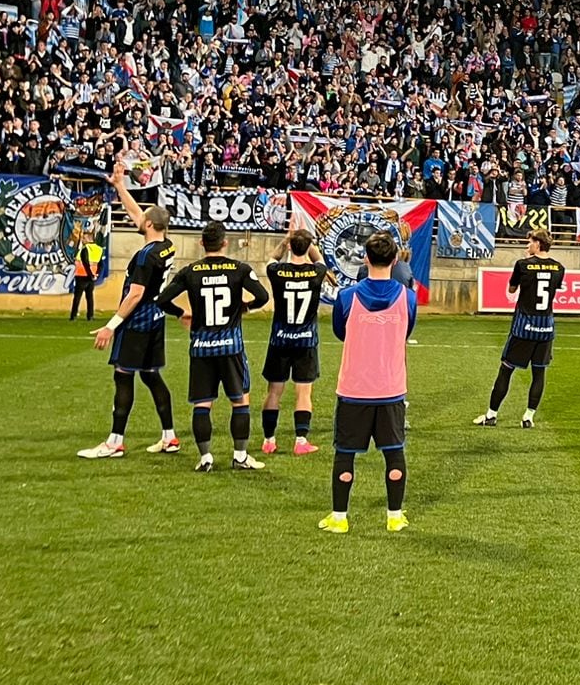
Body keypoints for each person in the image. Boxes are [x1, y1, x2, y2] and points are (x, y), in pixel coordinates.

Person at [80, 152, 180, 460]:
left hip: (137, 321)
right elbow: (140, 215)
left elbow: (134, 294)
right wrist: (120, 185)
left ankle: (114, 442)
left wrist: (111, 326)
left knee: (123, 375)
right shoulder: (166, 246)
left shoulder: (144, 256)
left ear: (149, 224)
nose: (137, 220)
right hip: (157, 319)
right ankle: (169, 436)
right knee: (151, 375)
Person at [320, 231, 416, 534]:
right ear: (395, 259)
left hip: (354, 390)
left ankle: (339, 517)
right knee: (394, 451)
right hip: (390, 390)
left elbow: (340, 331)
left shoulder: (346, 297)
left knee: (345, 453)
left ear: (365, 258)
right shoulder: (408, 297)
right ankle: (394, 516)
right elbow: (406, 330)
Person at [156, 220, 270, 473]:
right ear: (225, 242)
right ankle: (240, 456)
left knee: (202, 404)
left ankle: (205, 457)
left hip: (201, 348)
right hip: (231, 348)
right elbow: (263, 296)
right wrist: (245, 307)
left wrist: (180, 313)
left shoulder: (190, 271)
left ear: (201, 243)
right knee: (240, 402)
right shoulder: (239, 269)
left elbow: (162, 299)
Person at [476, 232, 565, 427]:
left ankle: (491, 415)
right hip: (545, 327)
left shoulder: (523, 265)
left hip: (524, 327)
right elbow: (554, 289)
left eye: (530, 241)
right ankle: (528, 417)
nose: (527, 245)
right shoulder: (559, 268)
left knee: (506, 370)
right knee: (539, 373)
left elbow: (511, 290)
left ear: (538, 244)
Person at [260, 227, 327, 456]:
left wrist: (285, 240)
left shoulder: (277, 271)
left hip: (279, 340)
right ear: (308, 247)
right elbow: (319, 259)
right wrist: (309, 246)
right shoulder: (316, 272)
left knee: (274, 391)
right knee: (303, 392)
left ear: (290, 245)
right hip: (306, 341)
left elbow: (272, 258)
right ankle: (300, 440)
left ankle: (269, 440)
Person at [68, 230, 104, 322]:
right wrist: (96, 274)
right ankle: (90, 316)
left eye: (84, 238)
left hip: (82, 274)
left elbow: (85, 262)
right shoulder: (99, 249)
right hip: (92, 276)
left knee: (77, 296)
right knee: (90, 297)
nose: (82, 240)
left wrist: (90, 274)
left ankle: (73, 315)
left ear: (88, 238)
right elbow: (101, 264)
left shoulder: (85, 249)